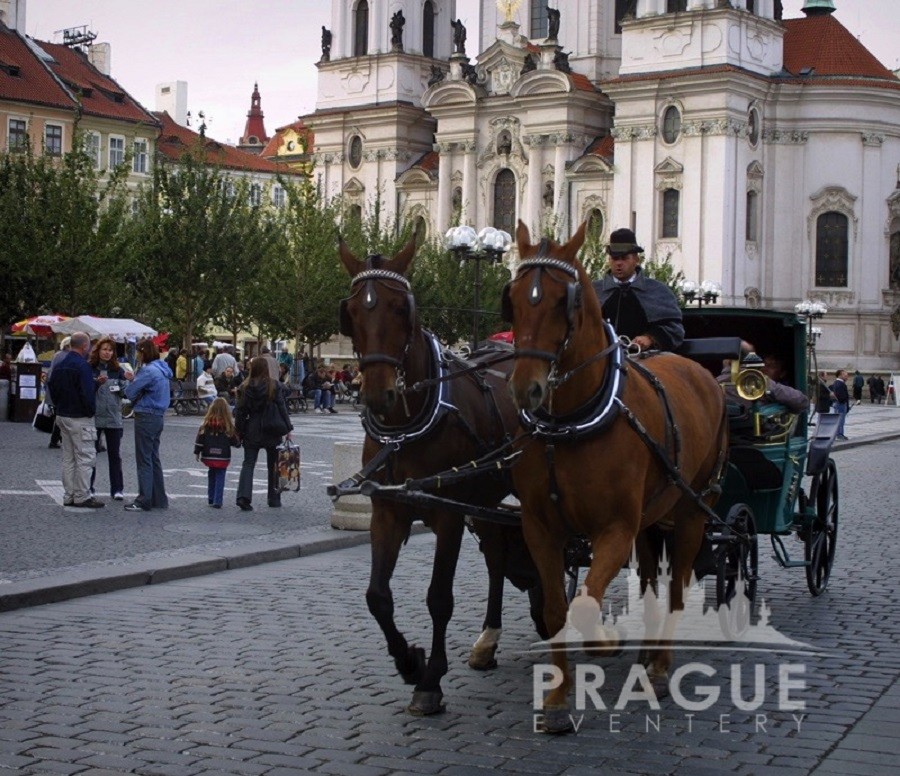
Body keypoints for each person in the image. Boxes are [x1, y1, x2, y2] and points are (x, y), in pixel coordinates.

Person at [592, 228, 684, 352]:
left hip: (646, 360)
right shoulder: (592, 291)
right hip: (599, 361)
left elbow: (675, 329)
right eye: (614, 258)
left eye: (624, 258)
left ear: (636, 259)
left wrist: (651, 338)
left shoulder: (658, 291)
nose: (619, 263)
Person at [46, 332, 104, 509]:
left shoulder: (60, 363)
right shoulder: (82, 366)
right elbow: (86, 393)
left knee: (68, 457)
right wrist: (90, 410)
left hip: (63, 414)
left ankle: (69, 494)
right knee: (85, 456)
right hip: (80, 417)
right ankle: (82, 495)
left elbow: (51, 386)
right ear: (85, 346)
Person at [234, 358, 293, 511]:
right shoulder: (274, 385)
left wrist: (238, 430)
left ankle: (243, 497)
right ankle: (273, 498)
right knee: (273, 465)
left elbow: (240, 412)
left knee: (248, 464)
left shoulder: (245, 386)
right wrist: (288, 429)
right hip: (272, 429)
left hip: (252, 429)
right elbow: (282, 408)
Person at [123, 339, 173, 512]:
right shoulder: (162, 369)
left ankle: (144, 498)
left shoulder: (148, 371)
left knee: (144, 458)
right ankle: (159, 498)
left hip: (146, 414)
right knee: (153, 457)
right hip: (159, 416)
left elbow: (130, 393)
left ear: (143, 353)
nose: (137, 355)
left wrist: (132, 380)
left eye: (138, 352)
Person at [88, 337, 132, 501]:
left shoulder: (118, 369)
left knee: (115, 455)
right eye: (104, 349)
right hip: (95, 416)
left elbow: (126, 394)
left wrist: (126, 382)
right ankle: (89, 487)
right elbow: (85, 391)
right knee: (91, 455)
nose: (107, 353)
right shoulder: (90, 368)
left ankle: (117, 489)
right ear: (98, 351)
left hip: (114, 417)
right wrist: (96, 384)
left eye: (110, 350)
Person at [194, 397, 241, 509]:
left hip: (209, 454)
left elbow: (200, 440)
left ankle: (211, 498)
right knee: (220, 476)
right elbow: (235, 442)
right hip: (223, 456)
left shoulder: (206, 425)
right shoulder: (227, 426)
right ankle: (217, 500)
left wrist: (197, 452)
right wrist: (238, 443)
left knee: (211, 474)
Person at [45, 336, 72, 449]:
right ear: (68, 345)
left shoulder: (57, 355)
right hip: (62, 391)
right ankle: (54, 440)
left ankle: (58, 438)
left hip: (54, 390)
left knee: (59, 415)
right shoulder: (66, 356)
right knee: (61, 416)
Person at [830, 369, 850, 440]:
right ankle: (839, 434)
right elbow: (840, 395)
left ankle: (840, 434)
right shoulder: (839, 383)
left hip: (840, 404)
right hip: (840, 404)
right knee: (840, 420)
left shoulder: (838, 383)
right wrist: (844, 400)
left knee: (841, 419)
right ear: (840, 375)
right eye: (845, 375)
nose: (847, 377)